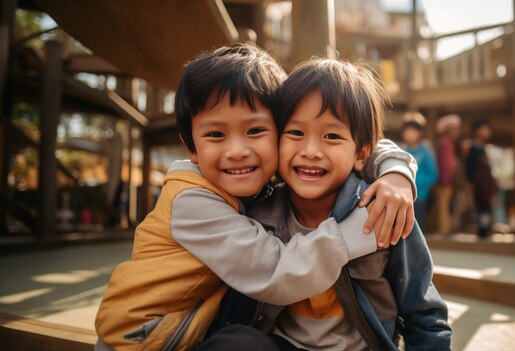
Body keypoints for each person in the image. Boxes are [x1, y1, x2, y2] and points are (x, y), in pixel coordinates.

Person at [94, 45, 419, 351]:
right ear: (191, 148)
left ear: (278, 135)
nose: (237, 151)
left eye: (255, 131)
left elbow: (347, 137)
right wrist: (360, 228)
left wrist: (396, 172)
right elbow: (277, 271)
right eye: (216, 135)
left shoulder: (255, 181)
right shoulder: (192, 202)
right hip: (140, 339)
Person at [203, 59, 451, 351]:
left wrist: (397, 172)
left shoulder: (383, 208)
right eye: (295, 133)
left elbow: (424, 313)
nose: (310, 151)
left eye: (331, 136)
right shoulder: (257, 213)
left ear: (361, 154)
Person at [401, 112, 439, 231]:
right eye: (407, 130)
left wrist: (416, 182)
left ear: (420, 133)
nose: (409, 134)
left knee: (418, 227)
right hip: (404, 196)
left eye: (413, 131)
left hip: (420, 196)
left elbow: (433, 174)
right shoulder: (402, 151)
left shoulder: (425, 151)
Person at [465, 118, 498, 238]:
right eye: (485, 129)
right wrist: (472, 182)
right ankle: (482, 232)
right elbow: (470, 167)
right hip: (479, 185)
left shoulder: (482, 148)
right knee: (482, 209)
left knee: (486, 208)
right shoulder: (473, 148)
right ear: (477, 131)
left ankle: (484, 231)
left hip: (485, 185)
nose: (487, 132)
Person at [435, 114, 461, 235]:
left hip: (447, 181)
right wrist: (447, 180)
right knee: (443, 206)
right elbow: (446, 165)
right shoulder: (445, 143)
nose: (457, 132)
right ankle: (445, 229)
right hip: (445, 181)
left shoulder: (447, 143)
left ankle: (447, 228)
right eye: (454, 129)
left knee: (445, 205)